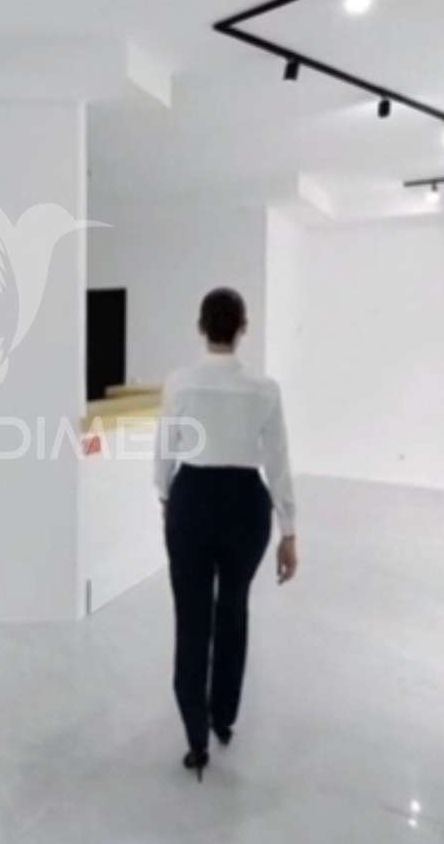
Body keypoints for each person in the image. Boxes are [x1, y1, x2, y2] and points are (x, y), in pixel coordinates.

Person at [154, 286, 297, 782]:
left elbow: (164, 449)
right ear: (243, 329)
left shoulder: (180, 383)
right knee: (233, 610)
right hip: (245, 505)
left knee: (191, 618)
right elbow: (278, 462)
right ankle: (223, 718)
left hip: (192, 498)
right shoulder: (265, 389)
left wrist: (166, 498)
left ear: (201, 327)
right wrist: (289, 530)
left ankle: (195, 736)